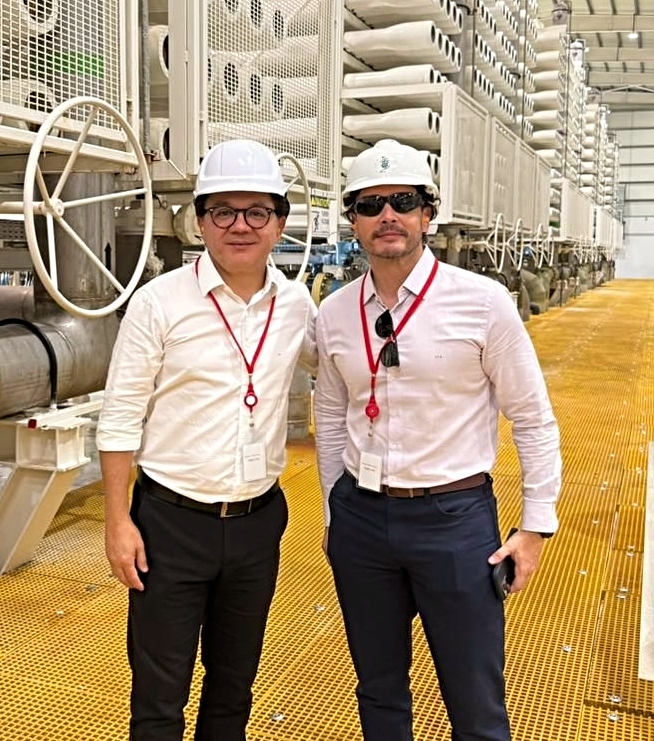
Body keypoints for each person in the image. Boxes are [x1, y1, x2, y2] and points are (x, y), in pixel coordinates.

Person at [313, 139, 561, 741]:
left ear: (428, 213)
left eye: (403, 201)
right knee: (378, 689)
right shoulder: (336, 313)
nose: (387, 216)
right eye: (370, 205)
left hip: (454, 521)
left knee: (474, 701)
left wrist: (535, 527)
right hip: (362, 519)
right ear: (353, 220)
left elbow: (532, 417)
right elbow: (331, 414)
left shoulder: (483, 303)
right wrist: (334, 512)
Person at [96, 138, 317, 741]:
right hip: (170, 525)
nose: (239, 226)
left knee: (233, 688)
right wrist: (117, 520)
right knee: (158, 695)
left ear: (280, 224)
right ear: (199, 221)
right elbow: (120, 417)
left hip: (257, 523)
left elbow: (344, 368)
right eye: (222, 211)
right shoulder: (158, 302)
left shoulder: (296, 305)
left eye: (257, 212)